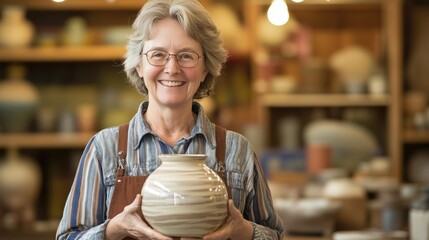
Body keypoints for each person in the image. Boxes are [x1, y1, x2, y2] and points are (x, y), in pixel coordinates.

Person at [56, 0, 285, 239]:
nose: (172, 68)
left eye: (186, 56)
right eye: (158, 55)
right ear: (139, 64)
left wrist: (245, 231)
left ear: (205, 68)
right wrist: (114, 229)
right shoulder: (104, 150)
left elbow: (275, 235)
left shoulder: (237, 151)